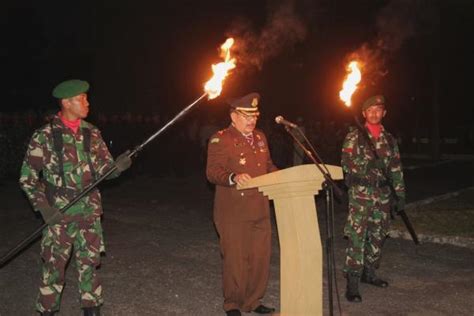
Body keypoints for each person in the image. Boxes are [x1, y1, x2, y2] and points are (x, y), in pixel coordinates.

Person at [19, 79, 132, 316]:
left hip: (89, 211)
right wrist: (44, 208)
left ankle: (92, 311)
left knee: (89, 267)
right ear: (67, 102)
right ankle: (47, 311)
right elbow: (28, 177)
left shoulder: (92, 133)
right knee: (53, 270)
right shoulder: (45, 135)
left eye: (86, 97)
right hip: (58, 213)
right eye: (82, 98)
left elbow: (104, 172)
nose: (87, 102)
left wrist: (117, 168)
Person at [206, 93, 278, 316]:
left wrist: (283, 177)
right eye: (246, 116)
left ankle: (253, 301)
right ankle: (233, 304)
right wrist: (233, 177)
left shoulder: (260, 137)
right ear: (233, 116)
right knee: (236, 258)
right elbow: (212, 171)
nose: (252, 120)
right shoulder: (221, 138)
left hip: (260, 208)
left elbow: (267, 166)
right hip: (233, 210)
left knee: (260, 257)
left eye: (255, 115)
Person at [341, 95, 406, 302]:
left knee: (378, 234)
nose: (374, 113)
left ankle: (369, 272)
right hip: (361, 194)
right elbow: (346, 163)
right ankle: (352, 281)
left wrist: (400, 194)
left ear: (384, 113)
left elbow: (396, 168)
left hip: (383, 196)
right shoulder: (355, 136)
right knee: (357, 236)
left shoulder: (389, 139)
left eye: (378, 109)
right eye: (370, 110)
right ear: (364, 114)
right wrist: (366, 165)